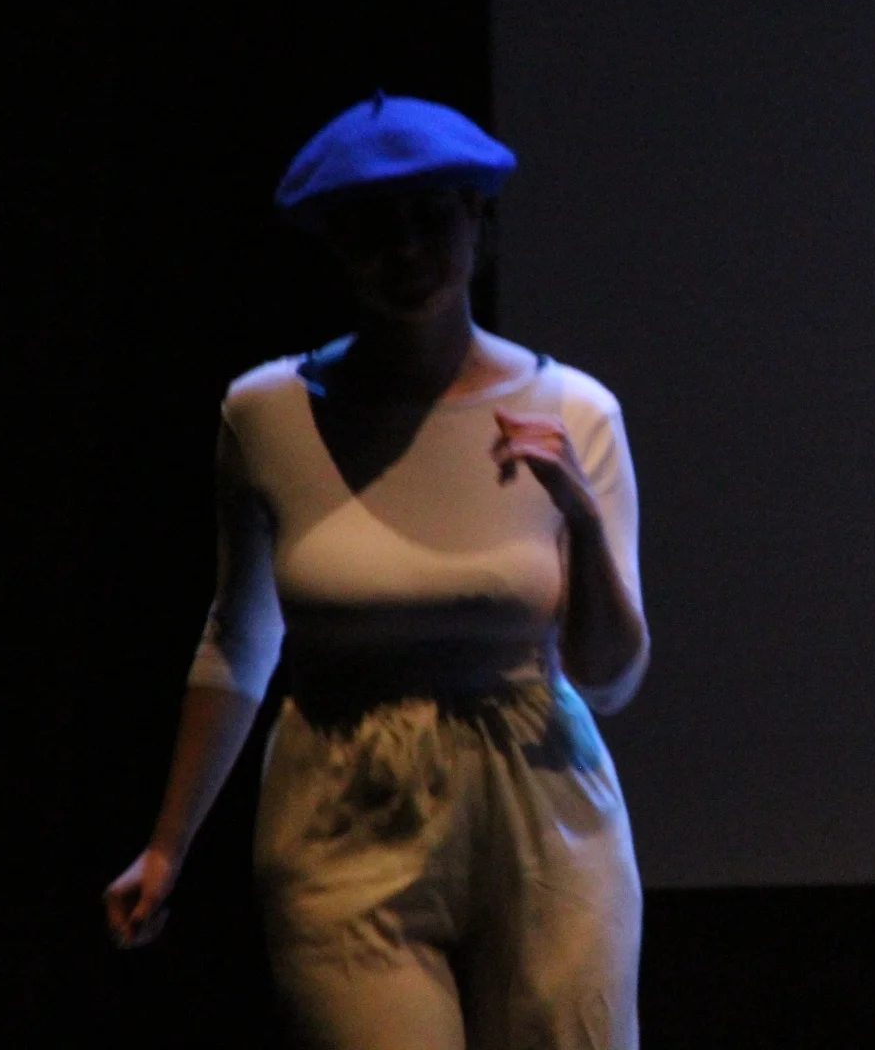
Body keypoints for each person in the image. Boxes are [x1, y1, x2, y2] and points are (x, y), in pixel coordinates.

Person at [102, 94, 649, 1049]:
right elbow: (240, 638)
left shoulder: (574, 410)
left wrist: (581, 517)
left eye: (430, 217)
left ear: (477, 221)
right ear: (334, 244)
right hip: (342, 801)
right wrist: (166, 845)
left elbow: (609, 677)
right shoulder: (267, 412)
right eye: (371, 227)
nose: (405, 249)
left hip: (541, 799)